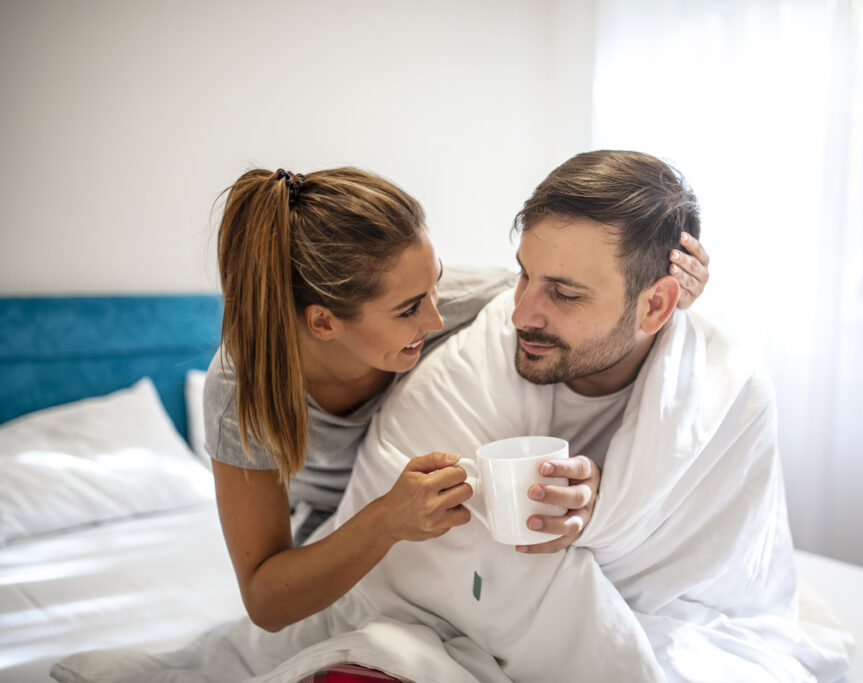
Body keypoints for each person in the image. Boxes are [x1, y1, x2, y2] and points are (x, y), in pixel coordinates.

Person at [203, 166, 711, 633]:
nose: (436, 320)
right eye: (407, 310)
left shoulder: (470, 301)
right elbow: (265, 601)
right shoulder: (242, 391)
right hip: (337, 531)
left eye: (436, 285)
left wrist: (661, 297)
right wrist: (386, 519)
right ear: (323, 322)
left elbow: (585, 312)